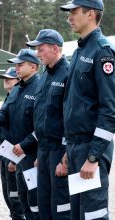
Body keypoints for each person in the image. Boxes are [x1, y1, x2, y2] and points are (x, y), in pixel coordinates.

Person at [59, 0, 115, 219]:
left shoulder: (102, 52)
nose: (69, 17)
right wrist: (67, 149)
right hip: (75, 148)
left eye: (73, 12)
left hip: (91, 148)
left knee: (93, 214)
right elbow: (72, 104)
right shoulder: (80, 51)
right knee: (79, 213)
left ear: (90, 14)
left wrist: (93, 157)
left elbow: (110, 110)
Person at [0, 49, 40, 220]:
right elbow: (4, 115)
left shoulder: (40, 88)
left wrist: (25, 146)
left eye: (20, 65)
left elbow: (43, 125)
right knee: (22, 199)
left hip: (32, 154)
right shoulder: (16, 89)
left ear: (33, 67)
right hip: (18, 155)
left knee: (35, 201)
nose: (16, 68)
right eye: (16, 65)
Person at [26, 29, 71, 219]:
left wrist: (66, 156)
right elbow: (41, 116)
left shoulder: (68, 74)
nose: (37, 54)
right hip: (44, 151)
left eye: (41, 49)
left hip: (59, 152)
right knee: (43, 203)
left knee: (60, 207)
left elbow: (72, 118)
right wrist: (39, 153)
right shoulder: (44, 76)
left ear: (55, 48)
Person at [0, 67, 24, 220]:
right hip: (6, 154)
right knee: (8, 195)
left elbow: (20, 132)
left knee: (16, 197)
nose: (6, 80)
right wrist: (1, 157)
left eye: (10, 78)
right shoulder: (9, 98)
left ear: (19, 80)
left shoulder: (19, 99)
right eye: (4, 78)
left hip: (16, 156)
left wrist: (14, 160)